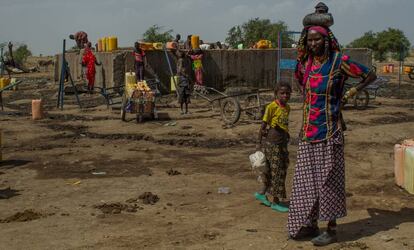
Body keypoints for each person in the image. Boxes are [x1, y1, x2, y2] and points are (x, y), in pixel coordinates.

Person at [287, 23, 377, 245]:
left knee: (329, 182)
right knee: (306, 182)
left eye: (317, 39)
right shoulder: (306, 64)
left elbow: (370, 74)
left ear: (326, 40)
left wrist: (350, 93)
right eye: (309, 39)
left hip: (330, 131)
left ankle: (332, 229)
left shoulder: (339, 62)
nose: (313, 43)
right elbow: (304, 93)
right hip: (309, 133)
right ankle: (309, 224)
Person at [255, 83, 291, 213]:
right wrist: (259, 144)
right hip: (272, 144)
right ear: (276, 94)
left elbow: (284, 124)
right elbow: (263, 126)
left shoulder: (287, 108)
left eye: (287, 93)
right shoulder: (271, 107)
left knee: (275, 170)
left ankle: (262, 193)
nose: (285, 95)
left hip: (282, 143)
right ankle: (276, 202)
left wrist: (287, 134)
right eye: (282, 93)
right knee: (277, 172)